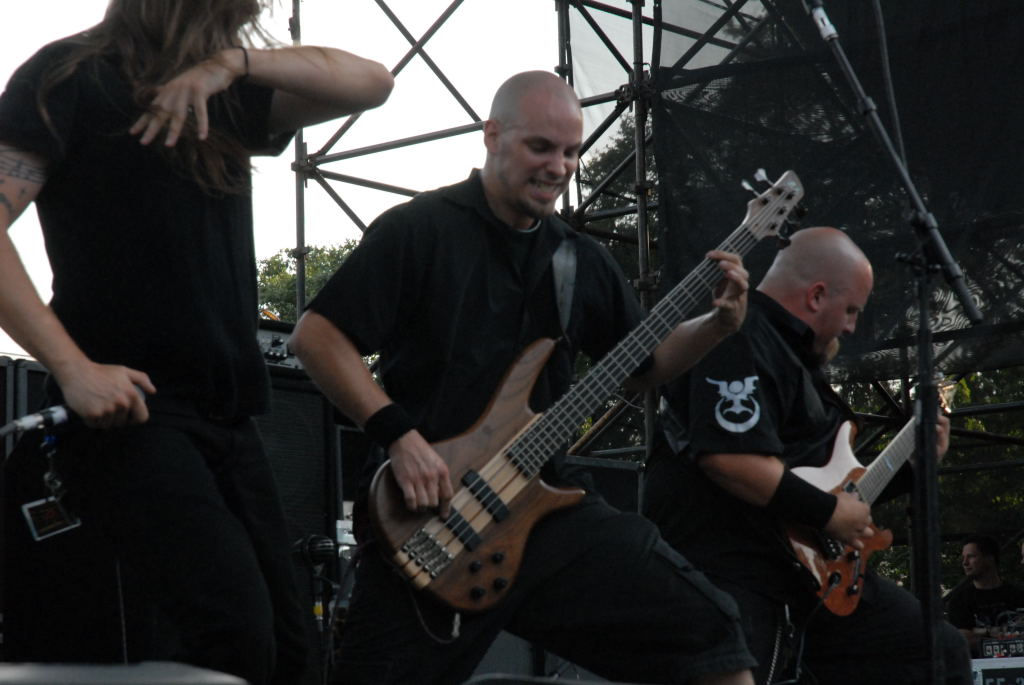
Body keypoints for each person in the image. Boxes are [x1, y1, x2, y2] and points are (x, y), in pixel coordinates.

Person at [289, 70, 756, 685]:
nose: (559, 167)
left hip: (547, 509)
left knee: (712, 632)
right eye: (541, 147)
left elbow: (642, 368)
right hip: (431, 519)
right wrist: (401, 437)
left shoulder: (579, 259)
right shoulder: (419, 230)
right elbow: (317, 337)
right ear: (492, 136)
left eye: (571, 152)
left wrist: (716, 327)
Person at [0, 1, 393, 683]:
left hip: (230, 422)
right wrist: (72, 366)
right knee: (232, 633)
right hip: (134, 413)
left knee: (291, 652)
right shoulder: (70, 76)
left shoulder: (228, 91)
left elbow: (373, 81)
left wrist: (232, 64)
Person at [643, 226, 972, 685]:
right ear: (816, 296)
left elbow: (830, 488)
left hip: (808, 577)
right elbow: (729, 461)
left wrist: (912, 467)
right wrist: (829, 512)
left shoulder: (798, 358)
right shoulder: (738, 333)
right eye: (851, 310)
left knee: (937, 651)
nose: (852, 326)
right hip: (731, 572)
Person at [945, 534, 1024, 656]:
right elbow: (963, 638)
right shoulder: (959, 601)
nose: (965, 562)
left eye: (971, 556)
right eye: (963, 557)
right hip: (979, 666)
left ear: (990, 558)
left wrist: (978, 633)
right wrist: (1009, 635)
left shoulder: (1018, 594)